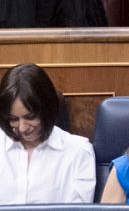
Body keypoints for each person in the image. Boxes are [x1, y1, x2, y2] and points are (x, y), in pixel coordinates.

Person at [0, 63, 95, 203]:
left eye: (30, 117)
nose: (22, 128)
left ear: (47, 108)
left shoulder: (79, 152)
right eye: (13, 119)